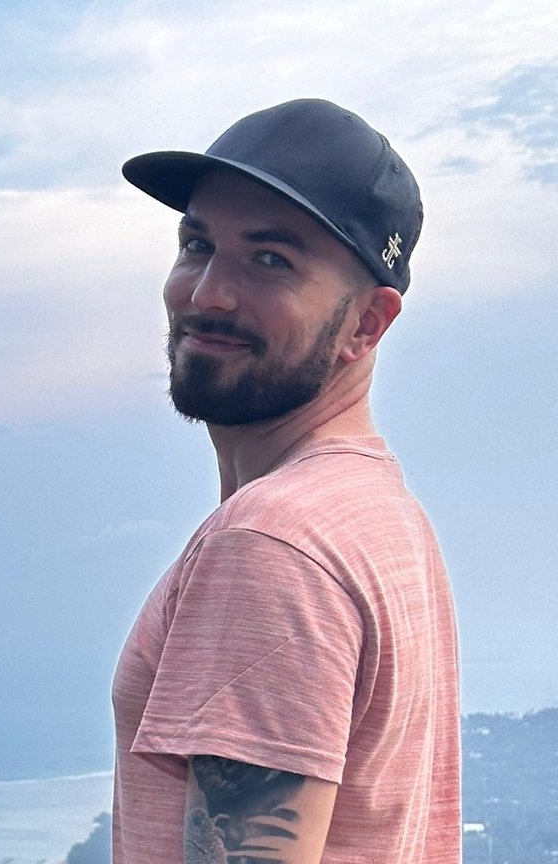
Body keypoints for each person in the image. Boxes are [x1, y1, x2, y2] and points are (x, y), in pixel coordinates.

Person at [112, 99, 460, 864]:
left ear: (366, 324)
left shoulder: (269, 544)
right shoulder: (377, 514)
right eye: (198, 244)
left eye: (270, 260)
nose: (208, 293)